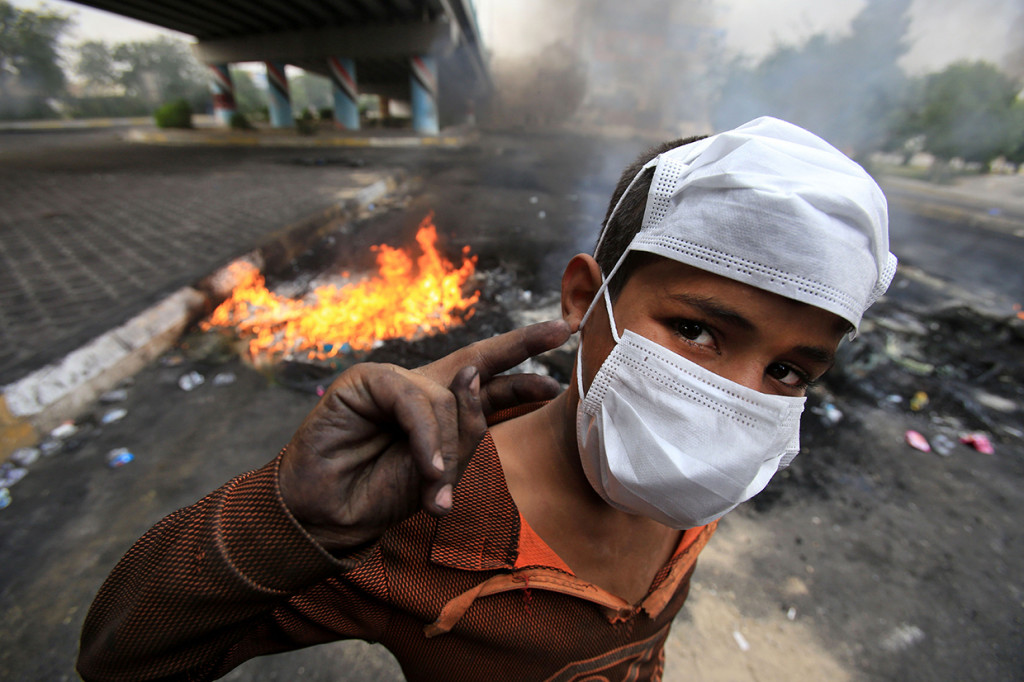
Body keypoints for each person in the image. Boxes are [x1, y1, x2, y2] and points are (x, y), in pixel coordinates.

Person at [77, 117, 895, 681]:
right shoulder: (423, 513)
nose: (734, 399)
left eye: (789, 372)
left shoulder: (702, 481)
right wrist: (294, 521)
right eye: (696, 329)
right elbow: (124, 658)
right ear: (584, 299)